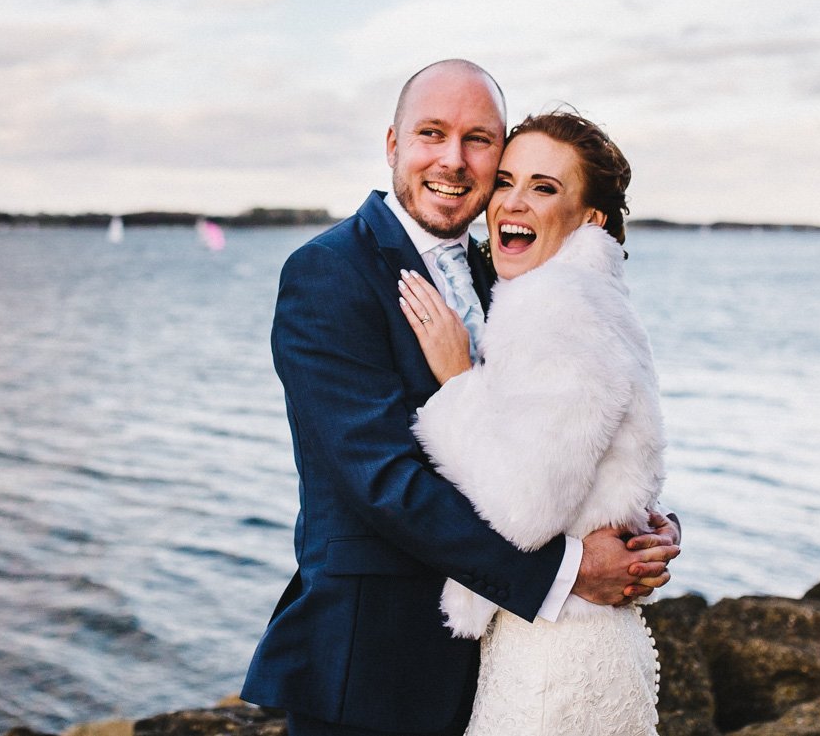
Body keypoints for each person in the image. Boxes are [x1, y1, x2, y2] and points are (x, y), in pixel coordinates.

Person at [241, 60, 679, 736]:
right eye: (432, 133)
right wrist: (568, 570)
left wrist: (641, 524)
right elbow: (386, 483)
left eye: (479, 140)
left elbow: (574, 424)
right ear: (393, 144)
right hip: (379, 665)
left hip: (497, 655)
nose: (453, 158)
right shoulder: (329, 272)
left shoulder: (507, 266)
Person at [397, 110, 667, 734]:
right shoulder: (600, 299)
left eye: (544, 188)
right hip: (580, 639)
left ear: (590, 216)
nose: (513, 202)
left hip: (553, 661)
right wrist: (650, 527)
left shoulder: (552, 305)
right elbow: (618, 456)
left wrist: (459, 383)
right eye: (507, 181)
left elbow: (522, 510)